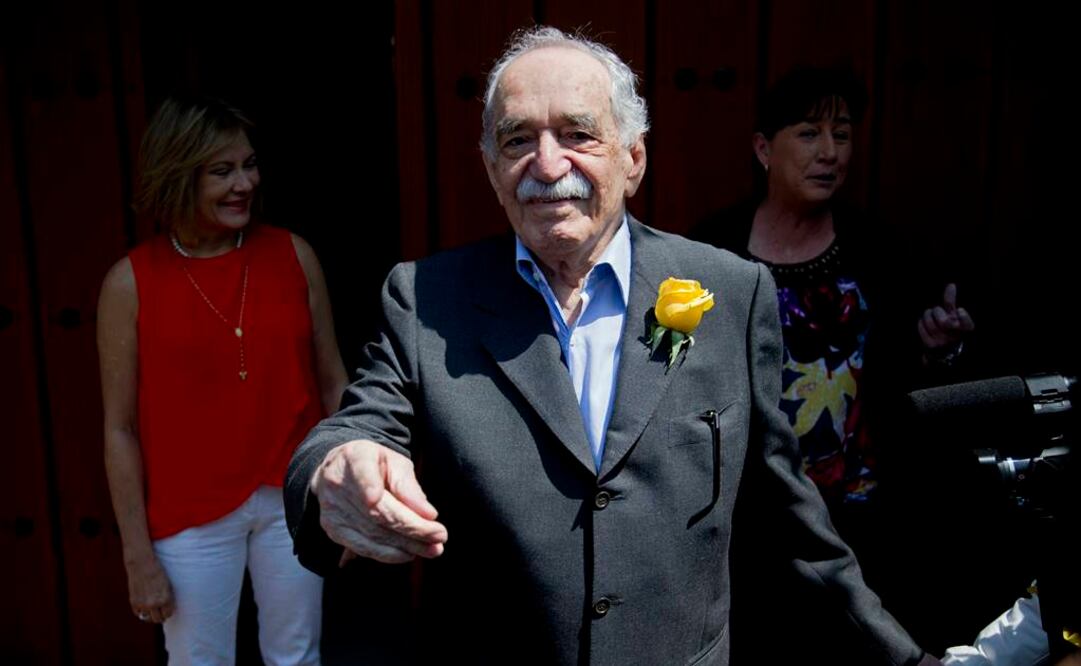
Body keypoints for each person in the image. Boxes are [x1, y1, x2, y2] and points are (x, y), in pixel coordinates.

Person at [285, 28, 939, 665]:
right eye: (518, 140)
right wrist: (335, 465)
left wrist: (903, 657)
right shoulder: (427, 298)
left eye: (576, 135)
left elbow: (786, 515)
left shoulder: (730, 293)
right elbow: (357, 425)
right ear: (489, 168)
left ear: (633, 158)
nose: (546, 165)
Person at [97, 96, 347, 664]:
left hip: (292, 500)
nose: (244, 184)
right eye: (221, 171)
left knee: (298, 657)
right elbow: (119, 429)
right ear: (177, 175)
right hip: (188, 517)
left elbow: (335, 385)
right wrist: (137, 556)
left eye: (249, 165)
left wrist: (345, 494)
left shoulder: (293, 255)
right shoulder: (129, 283)